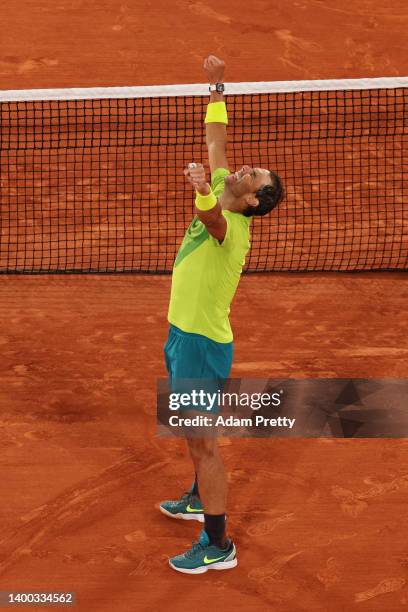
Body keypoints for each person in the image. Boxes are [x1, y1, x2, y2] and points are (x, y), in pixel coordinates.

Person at [159, 55, 285, 574]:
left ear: (252, 200)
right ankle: (196, 496)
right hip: (182, 336)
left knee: (203, 443)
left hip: (201, 347)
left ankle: (218, 544)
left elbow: (210, 216)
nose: (242, 168)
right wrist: (216, 88)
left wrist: (204, 189)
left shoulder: (233, 230)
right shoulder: (226, 184)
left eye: (252, 175)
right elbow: (216, 142)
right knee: (194, 435)